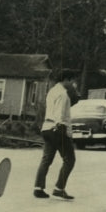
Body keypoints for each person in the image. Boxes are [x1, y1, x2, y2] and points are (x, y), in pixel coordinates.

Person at [33, 69, 79, 200]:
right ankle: (59, 188)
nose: (73, 83)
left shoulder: (52, 91)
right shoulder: (63, 94)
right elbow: (59, 114)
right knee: (70, 159)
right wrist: (62, 129)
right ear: (67, 79)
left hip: (46, 127)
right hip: (58, 128)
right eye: (72, 80)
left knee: (46, 160)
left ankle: (38, 188)